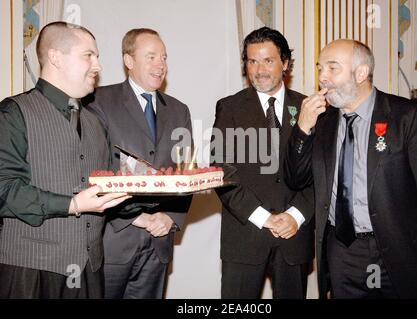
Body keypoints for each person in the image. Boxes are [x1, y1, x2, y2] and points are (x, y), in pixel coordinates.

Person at [285, 39, 417, 299]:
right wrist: (303, 129)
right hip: (342, 253)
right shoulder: (323, 124)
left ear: (361, 73)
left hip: (399, 250)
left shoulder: (407, 116)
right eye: (319, 69)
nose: (322, 78)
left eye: (332, 68)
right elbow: (296, 179)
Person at [0, 21, 130, 299]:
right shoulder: (13, 113)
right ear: (55, 57)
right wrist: (72, 205)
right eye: (88, 56)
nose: (97, 66)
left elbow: (105, 192)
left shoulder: (96, 123)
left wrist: (163, 191)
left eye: (97, 57)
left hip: (90, 271)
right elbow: (4, 189)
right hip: (31, 271)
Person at [87, 28, 192, 299]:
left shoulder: (179, 110)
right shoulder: (98, 102)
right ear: (129, 61)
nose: (161, 65)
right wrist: (134, 216)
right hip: (114, 239)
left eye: (164, 58)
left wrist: (170, 217)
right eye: (152, 57)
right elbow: (92, 169)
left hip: (159, 243)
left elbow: (185, 173)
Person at [211, 27, 314, 299]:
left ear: (285, 63)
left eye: (268, 60)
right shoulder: (229, 107)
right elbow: (221, 171)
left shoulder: (309, 108)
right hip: (245, 238)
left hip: (294, 237)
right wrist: (263, 217)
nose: (259, 69)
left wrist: (296, 215)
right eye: (252, 61)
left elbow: (322, 172)